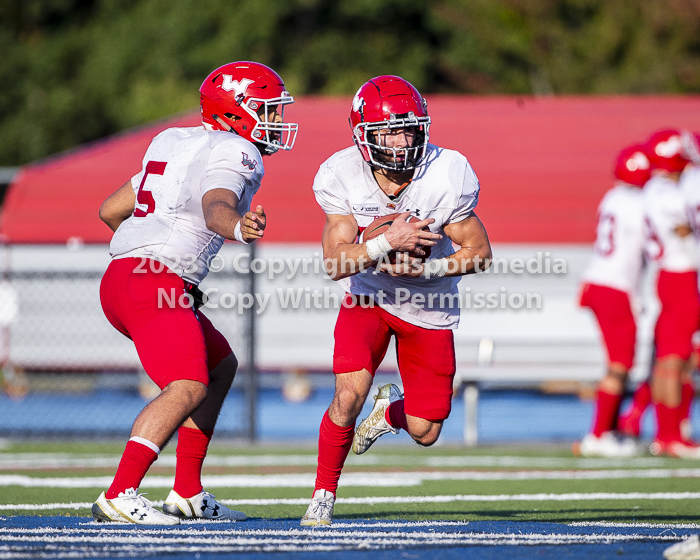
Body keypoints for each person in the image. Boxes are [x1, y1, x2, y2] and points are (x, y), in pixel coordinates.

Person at [93, 61, 298, 524]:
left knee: (220, 363)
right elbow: (215, 206)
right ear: (236, 112)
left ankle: (186, 491)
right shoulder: (237, 151)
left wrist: (158, 254)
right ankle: (120, 492)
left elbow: (110, 210)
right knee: (187, 384)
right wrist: (238, 227)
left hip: (127, 278)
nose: (274, 121)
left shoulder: (173, 141)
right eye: (265, 110)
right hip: (153, 280)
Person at [301, 75, 492, 526]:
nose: (402, 141)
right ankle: (323, 494)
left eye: (409, 128)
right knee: (347, 396)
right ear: (363, 135)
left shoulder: (447, 174)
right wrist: (387, 243)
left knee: (426, 430)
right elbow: (335, 264)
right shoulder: (341, 174)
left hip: (429, 305)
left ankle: (390, 412)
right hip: (369, 297)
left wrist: (427, 269)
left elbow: (480, 254)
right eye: (389, 131)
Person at [574, 144, 650, 457]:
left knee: (624, 364)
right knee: (619, 366)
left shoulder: (614, 197)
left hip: (599, 281)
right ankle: (599, 434)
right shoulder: (642, 204)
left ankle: (612, 428)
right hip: (615, 287)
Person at [641, 129, 699, 458]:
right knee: (675, 362)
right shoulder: (672, 190)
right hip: (681, 275)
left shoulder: (654, 188)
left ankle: (666, 434)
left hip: (668, 273)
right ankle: (673, 435)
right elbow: (684, 225)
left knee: (669, 362)